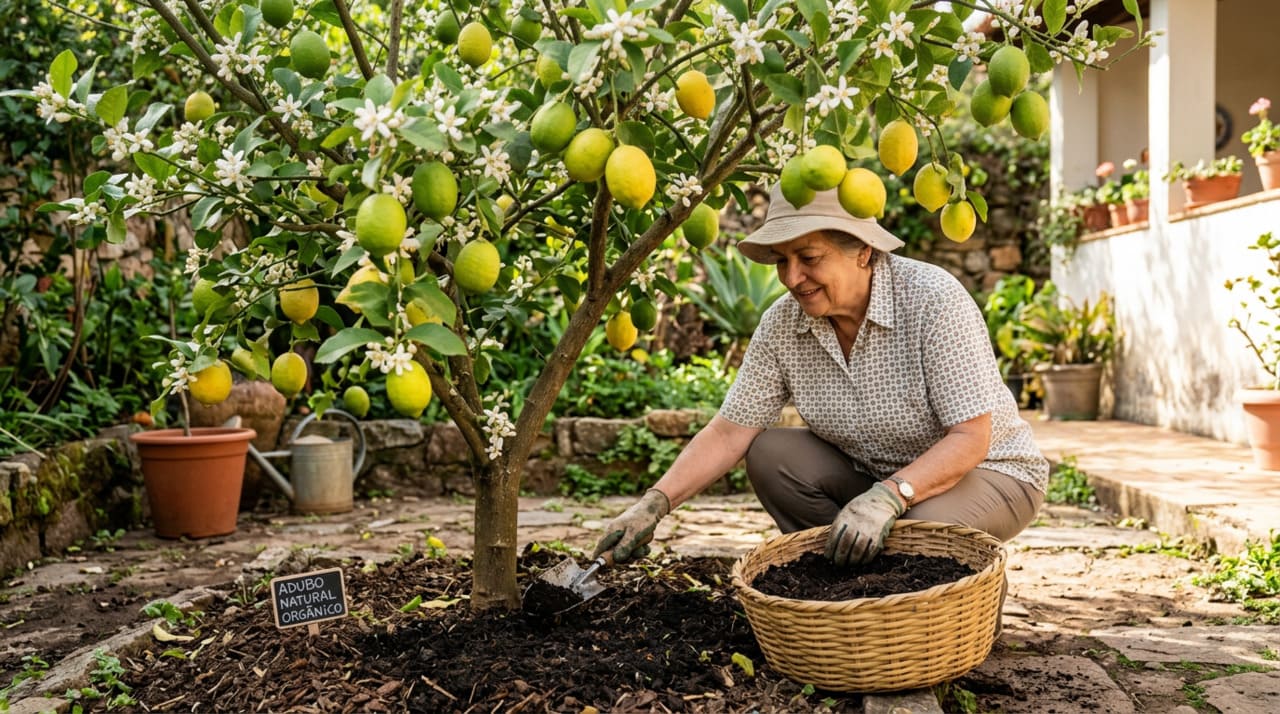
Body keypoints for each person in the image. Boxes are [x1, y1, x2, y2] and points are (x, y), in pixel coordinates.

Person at [593, 183, 1048, 567]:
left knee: (914, 537)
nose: (793, 277)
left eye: (808, 257)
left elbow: (971, 436)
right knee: (771, 453)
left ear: (863, 252)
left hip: (990, 472)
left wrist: (890, 497)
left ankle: (957, 607)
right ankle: (848, 583)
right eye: (781, 261)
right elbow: (730, 431)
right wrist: (654, 504)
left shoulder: (932, 300)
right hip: (874, 476)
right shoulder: (783, 324)